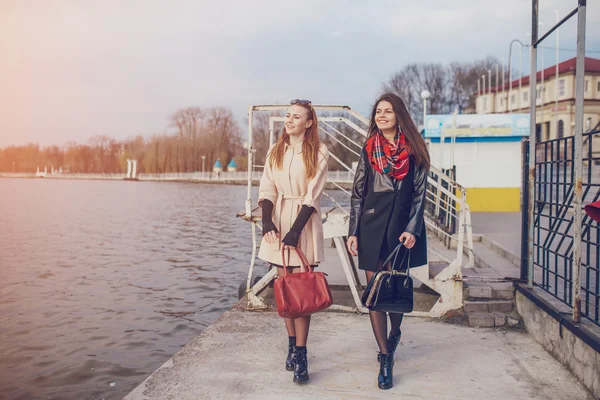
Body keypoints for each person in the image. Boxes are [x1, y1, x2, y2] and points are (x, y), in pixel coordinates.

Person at [347, 93, 430, 390]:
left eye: (388, 111)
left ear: (399, 115)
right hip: (370, 225)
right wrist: (353, 231)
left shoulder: (416, 150)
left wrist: (412, 228)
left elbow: (420, 195)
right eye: (378, 111)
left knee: (393, 291)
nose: (381, 115)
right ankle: (385, 357)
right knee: (375, 293)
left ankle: (395, 333)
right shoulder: (369, 148)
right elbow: (357, 192)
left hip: (400, 229)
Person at [257, 99, 329, 384]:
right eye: (288, 116)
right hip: (279, 222)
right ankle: (290, 344)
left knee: (301, 296)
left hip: (304, 224)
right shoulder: (276, 150)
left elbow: (312, 196)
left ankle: (301, 353)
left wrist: (295, 231)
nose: (289, 120)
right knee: (285, 291)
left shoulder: (320, 152)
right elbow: (267, 187)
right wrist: (267, 222)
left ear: (308, 122)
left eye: (296, 117)